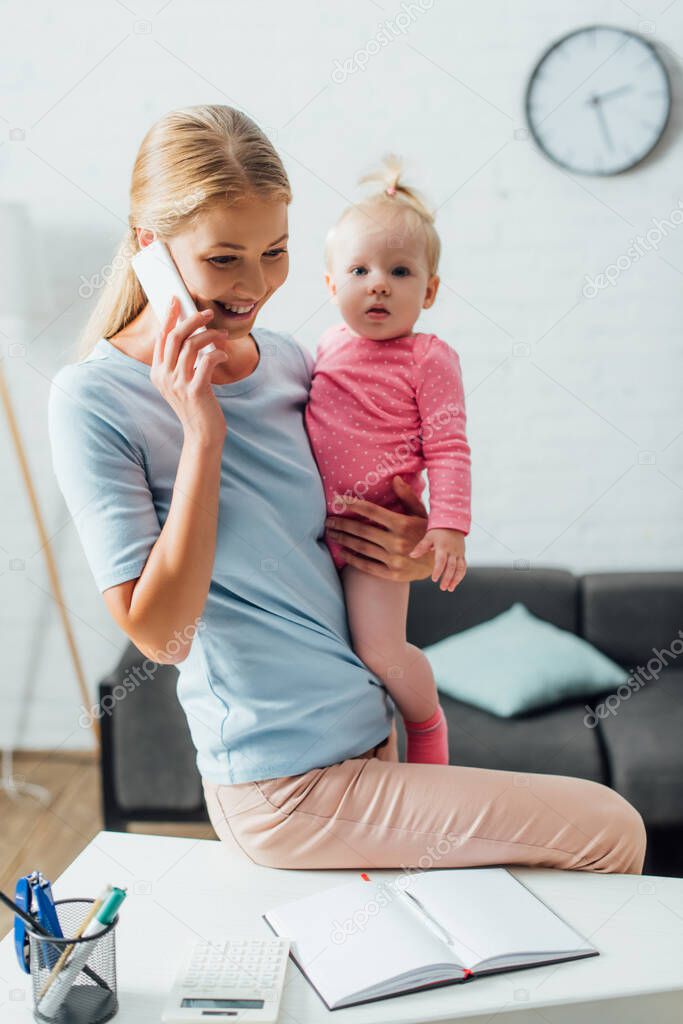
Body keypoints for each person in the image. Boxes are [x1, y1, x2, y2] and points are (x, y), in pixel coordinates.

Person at [48, 104, 646, 874]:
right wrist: (201, 434)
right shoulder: (94, 400)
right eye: (223, 259)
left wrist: (411, 543)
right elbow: (162, 638)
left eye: (274, 253)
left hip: (371, 731)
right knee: (608, 826)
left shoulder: (294, 360)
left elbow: (351, 531)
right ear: (149, 250)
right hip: (283, 782)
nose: (254, 287)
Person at [305, 154, 470, 765]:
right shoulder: (323, 346)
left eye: (399, 271)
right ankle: (377, 753)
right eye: (360, 269)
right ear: (331, 286)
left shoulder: (429, 357)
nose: (378, 283)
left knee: (380, 650)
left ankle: (425, 723)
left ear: (427, 291)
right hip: (313, 535)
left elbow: (449, 446)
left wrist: (449, 526)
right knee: (340, 661)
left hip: (378, 536)